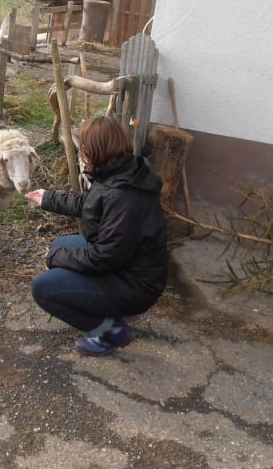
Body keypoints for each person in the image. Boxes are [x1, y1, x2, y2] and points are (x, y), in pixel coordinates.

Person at [26, 116, 168, 356]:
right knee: (61, 243)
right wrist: (49, 199)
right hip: (130, 264)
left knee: (43, 288)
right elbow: (93, 203)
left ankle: (108, 331)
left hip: (137, 285)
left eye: (83, 148)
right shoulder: (124, 171)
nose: (81, 153)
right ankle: (108, 308)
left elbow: (103, 257)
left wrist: (56, 257)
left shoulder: (123, 197)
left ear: (94, 151)